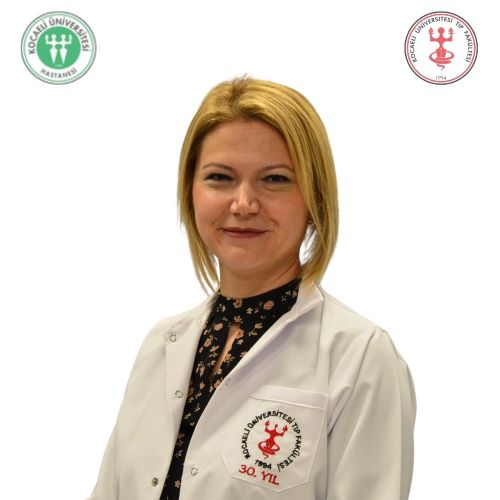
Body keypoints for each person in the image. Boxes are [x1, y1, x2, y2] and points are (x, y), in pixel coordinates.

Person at [86, 76, 416, 500]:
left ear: (314, 198)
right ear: (191, 193)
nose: (243, 204)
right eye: (220, 177)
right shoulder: (160, 344)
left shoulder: (360, 355)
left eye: (275, 179)